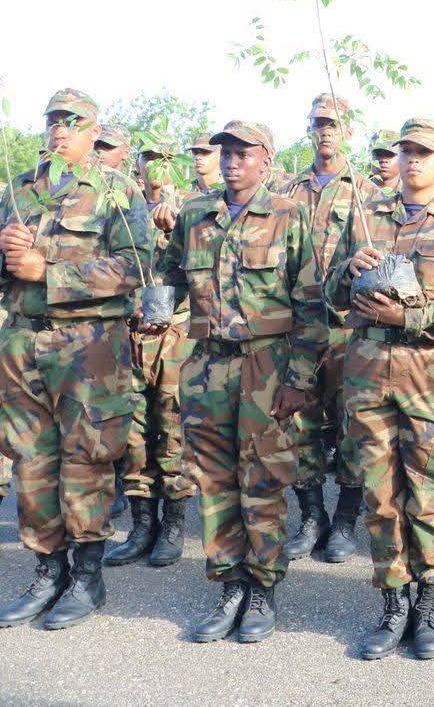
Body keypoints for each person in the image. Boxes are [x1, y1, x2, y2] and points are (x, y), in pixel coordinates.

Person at [148, 120, 325, 643]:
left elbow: (311, 305)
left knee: (263, 479)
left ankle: (263, 587)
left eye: (243, 153)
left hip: (266, 365)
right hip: (206, 365)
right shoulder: (195, 215)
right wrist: (156, 306)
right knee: (213, 479)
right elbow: (170, 273)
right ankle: (229, 583)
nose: (231, 161)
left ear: (266, 160)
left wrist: (299, 379)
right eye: (225, 152)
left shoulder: (288, 216)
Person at [325, 117, 434, 660]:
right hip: (369, 375)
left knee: (431, 492)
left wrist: (409, 316)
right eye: (406, 151)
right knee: (379, 495)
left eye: (424, 152)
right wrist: (348, 270)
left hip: (431, 377)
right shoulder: (367, 215)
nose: (413, 159)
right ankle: (393, 602)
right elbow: (329, 294)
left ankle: (430, 604)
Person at [0, 89, 154, 630]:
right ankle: (48, 571)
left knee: (87, 456)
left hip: (87, 345)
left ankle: (87, 577)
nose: (60, 130)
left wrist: (49, 273)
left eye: (73, 121)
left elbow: (136, 268)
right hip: (23, 342)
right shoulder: (19, 189)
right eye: (53, 121)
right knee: (31, 459)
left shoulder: (116, 190)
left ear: (94, 130)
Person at [282, 94, 367, 565]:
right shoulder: (288, 192)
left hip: (348, 329)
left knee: (353, 427)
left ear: (349, 130)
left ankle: (346, 521)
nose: (326, 131)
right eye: (319, 123)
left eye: (334, 123)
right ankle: (311, 517)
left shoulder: (368, 194)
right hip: (298, 328)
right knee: (300, 426)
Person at [106, 139, 196, 569]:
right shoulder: (119, 206)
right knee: (132, 431)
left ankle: (173, 524)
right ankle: (142, 524)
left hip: (175, 335)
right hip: (129, 333)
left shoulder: (193, 208)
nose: (156, 167)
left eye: (165, 159)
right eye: (149, 158)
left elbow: (208, 268)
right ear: (138, 163)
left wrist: (177, 230)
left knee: (172, 426)